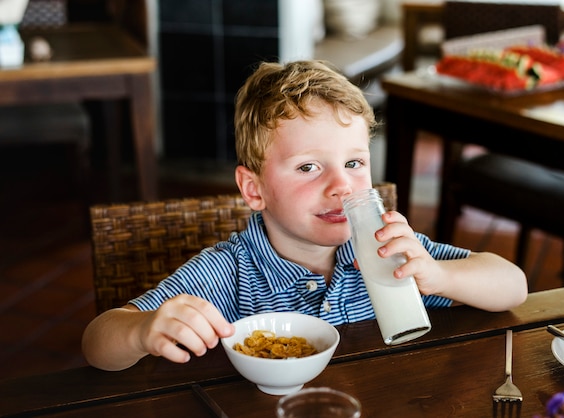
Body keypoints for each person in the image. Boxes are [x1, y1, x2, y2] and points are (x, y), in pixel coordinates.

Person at [82, 60, 527, 371]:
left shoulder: (386, 249)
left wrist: (439, 276)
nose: (341, 185)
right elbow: (97, 344)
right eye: (308, 167)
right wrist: (143, 330)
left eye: (354, 163)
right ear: (254, 190)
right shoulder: (230, 272)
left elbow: (514, 286)